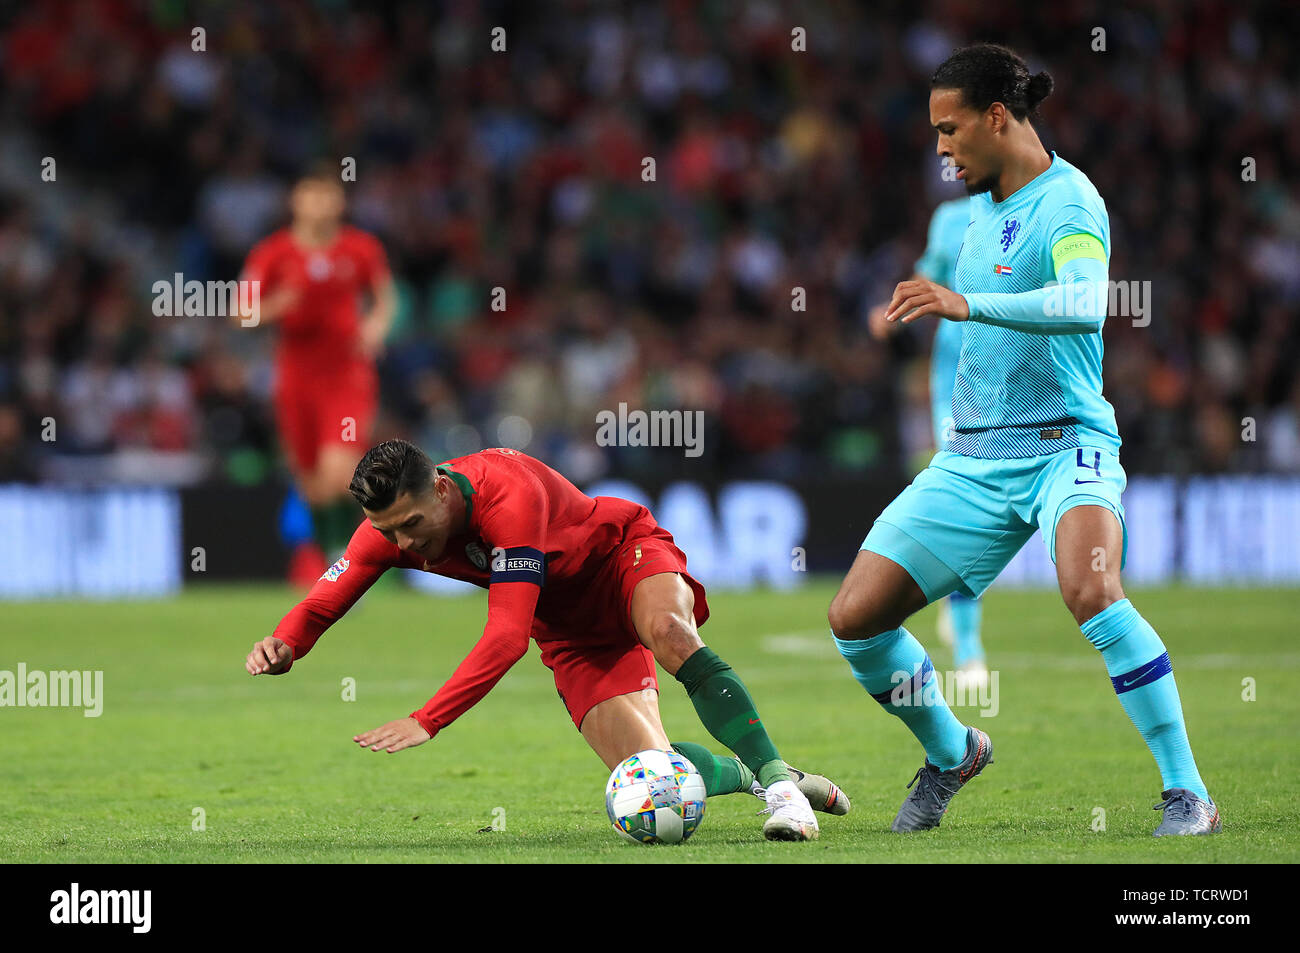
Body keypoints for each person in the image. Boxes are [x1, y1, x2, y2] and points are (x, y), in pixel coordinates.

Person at [830, 44, 1218, 836]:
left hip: (1065, 445)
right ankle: (952, 751)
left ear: (997, 118)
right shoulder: (971, 204)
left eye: (949, 129)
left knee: (1091, 590)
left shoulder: (1070, 203)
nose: (939, 148)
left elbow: (1082, 302)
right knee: (855, 617)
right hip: (972, 457)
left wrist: (967, 304)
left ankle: (1189, 793)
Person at [245, 440, 850, 841]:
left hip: (621, 561)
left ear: (443, 490)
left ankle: (780, 791)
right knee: (649, 777)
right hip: (568, 630)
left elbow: (506, 638)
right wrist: (284, 643)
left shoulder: (508, 496)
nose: (403, 544)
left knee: (668, 632)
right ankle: (755, 774)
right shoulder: (389, 530)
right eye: (388, 532)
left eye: (412, 525)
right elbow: (325, 600)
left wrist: (428, 719)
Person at [239, 162, 396, 568]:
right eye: (311, 194)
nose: (320, 203)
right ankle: (332, 555)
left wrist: (376, 326)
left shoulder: (360, 248)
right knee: (311, 486)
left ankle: (350, 561)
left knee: (340, 474)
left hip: (347, 376)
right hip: (295, 379)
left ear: (340, 201)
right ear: (296, 200)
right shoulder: (272, 253)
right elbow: (241, 314)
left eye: (328, 194)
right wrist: (275, 307)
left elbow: (385, 298)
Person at [870, 197, 989, 687]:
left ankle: (958, 614)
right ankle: (969, 644)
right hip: (956, 382)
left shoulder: (1039, 208)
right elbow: (927, 282)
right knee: (966, 502)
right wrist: (890, 313)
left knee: (982, 510)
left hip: (1017, 383)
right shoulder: (948, 220)